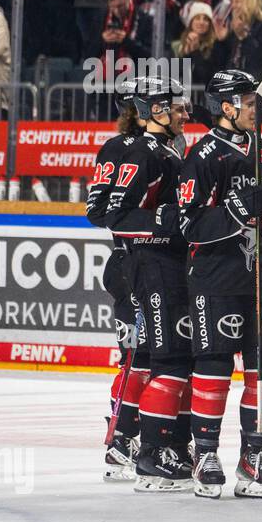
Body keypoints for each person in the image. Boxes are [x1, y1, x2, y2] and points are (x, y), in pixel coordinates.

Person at [177, 70, 262, 498]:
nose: (256, 108)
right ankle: (205, 453)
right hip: (216, 279)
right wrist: (237, 209)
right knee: (215, 366)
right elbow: (187, 224)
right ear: (226, 107)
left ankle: (253, 457)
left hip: (261, 277)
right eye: (248, 101)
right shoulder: (204, 155)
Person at [102, 78, 195, 492]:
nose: (183, 113)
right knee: (150, 360)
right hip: (142, 268)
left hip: (160, 267)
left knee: (159, 358)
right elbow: (112, 214)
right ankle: (133, 446)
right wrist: (168, 224)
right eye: (175, 107)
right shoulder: (142, 151)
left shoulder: (165, 150)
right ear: (154, 110)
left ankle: (153, 444)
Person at [86, 90, 152, 480]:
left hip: (142, 265)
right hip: (132, 266)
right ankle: (120, 440)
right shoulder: (126, 148)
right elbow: (100, 212)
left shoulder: (142, 145)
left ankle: (136, 437)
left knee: (150, 358)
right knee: (136, 358)